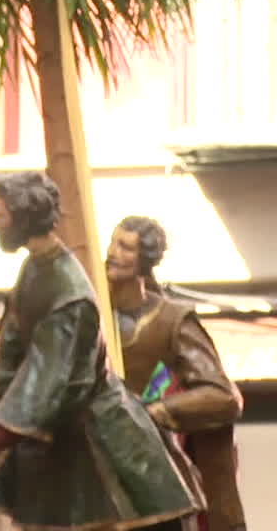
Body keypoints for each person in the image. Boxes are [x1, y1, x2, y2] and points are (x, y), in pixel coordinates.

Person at [0, 171, 204, 530]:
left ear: (23, 218)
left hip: (113, 463)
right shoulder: (37, 270)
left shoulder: (68, 296)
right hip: (67, 457)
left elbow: (37, 396)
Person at [107, 216, 246, 531]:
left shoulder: (171, 320)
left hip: (153, 469)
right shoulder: (95, 313)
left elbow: (223, 396)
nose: (113, 253)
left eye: (125, 247)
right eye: (113, 243)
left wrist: (154, 411)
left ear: (145, 261)